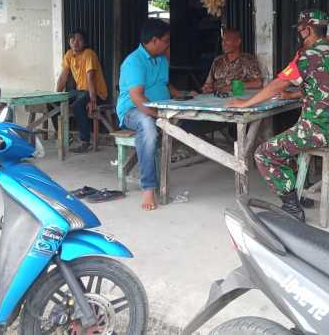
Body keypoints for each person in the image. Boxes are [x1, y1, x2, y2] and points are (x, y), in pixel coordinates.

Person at [227, 10, 329, 221]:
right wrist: (293, 95)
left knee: (263, 153)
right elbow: (320, 85)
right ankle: (303, 193)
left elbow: (278, 83)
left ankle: (292, 207)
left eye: (301, 30)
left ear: (307, 29)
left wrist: (246, 103)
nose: (300, 34)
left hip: (318, 130)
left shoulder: (309, 55)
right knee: (288, 141)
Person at [117, 19, 186, 211]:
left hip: (159, 109)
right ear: (154, 40)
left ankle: (159, 171)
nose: (168, 44)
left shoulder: (162, 59)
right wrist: (159, 117)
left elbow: (163, 84)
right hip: (133, 112)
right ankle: (148, 187)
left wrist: (181, 94)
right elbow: (138, 98)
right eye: (166, 41)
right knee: (147, 126)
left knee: (185, 118)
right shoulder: (134, 62)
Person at [56, 29, 108, 153]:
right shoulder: (69, 55)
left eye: (79, 40)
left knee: (77, 106)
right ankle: (65, 136)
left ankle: (86, 142)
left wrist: (92, 100)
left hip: (95, 92)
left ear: (84, 42)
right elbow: (63, 77)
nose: (75, 42)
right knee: (52, 103)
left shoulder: (89, 54)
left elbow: (90, 78)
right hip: (80, 91)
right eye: (73, 40)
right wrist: (56, 95)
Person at [202, 29, 263, 93]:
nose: (224, 44)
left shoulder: (247, 60)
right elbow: (208, 84)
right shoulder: (217, 61)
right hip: (215, 98)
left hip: (237, 98)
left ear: (238, 42)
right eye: (223, 40)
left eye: (227, 40)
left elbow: (258, 83)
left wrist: (232, 87)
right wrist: (205, 89)